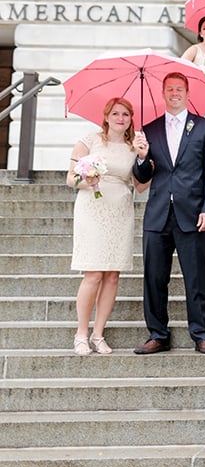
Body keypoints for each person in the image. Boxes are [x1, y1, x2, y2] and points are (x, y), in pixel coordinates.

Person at [131, 73, 205, 354]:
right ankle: (157, 334)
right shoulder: (149, 130)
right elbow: (142, 176)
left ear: (187, 93)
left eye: (179, 89)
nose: (174, 93)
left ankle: (202, 333)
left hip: (193, 214)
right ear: (163, 92)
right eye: (169, 88)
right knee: (154, 278)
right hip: (158, 213)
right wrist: (140, 156)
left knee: (197, 277)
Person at [67, 98, 147, 354]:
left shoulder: (134, 146)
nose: (121, 118)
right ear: (106, 116)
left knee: (113, 275)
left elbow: (141, 186)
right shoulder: (89, 141)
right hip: (92, 207)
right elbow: (70, 178)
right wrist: (87, 180)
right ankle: (81, 333)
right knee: (93, 273)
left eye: (126, 114)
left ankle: (98, 334)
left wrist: (145, 158)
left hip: (120, 210)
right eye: (116, 113)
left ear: (131, 118)